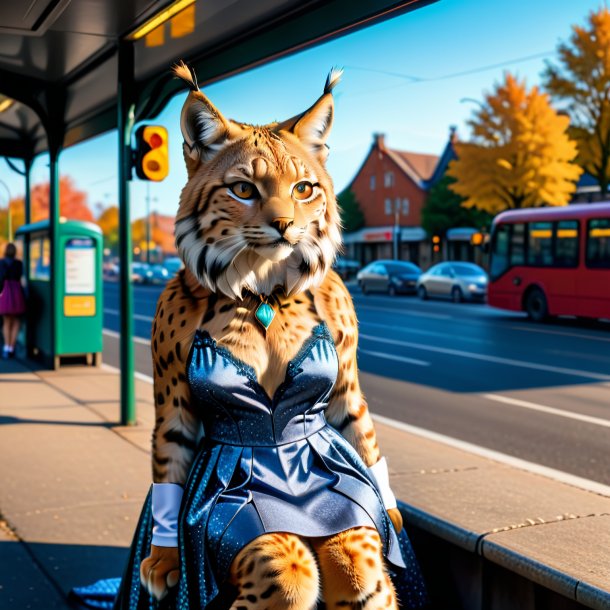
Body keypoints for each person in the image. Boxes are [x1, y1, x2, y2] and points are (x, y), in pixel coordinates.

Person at [0, 242, 26, 359]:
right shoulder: (19, 263)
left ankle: (6, 347)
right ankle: (12, 347)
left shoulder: (2, 263)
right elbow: (22, 278)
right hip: (16, 292)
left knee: (6, 322)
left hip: (5, 292)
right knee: (16, 321)